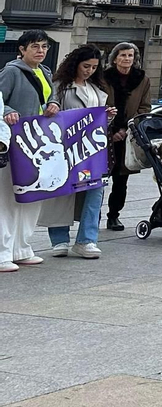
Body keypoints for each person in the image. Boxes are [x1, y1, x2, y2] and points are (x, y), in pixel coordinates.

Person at [42, 46, 109, 259]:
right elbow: (48, 114)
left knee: (94, 191)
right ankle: (59, 239)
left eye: (94, 67)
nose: (89, 70)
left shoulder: (96, 88)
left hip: (92, 149)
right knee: (62, 192)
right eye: (86, 66)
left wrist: (108, 116)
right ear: (76, 64)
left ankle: (87, 240)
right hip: (64, 148)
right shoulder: (60, 87)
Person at [0, 31, 58, 268]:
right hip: (13, 141)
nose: (41, 51)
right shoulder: (11, 71)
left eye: (44, 47)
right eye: (35, 47)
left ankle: (22, 247)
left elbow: (51, 97)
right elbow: (0, 100)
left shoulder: (45, 72)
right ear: (22, 49)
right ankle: (3, 252)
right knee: (6, 199)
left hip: (38, 143)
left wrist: (54, 103)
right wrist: (7, 111)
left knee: (33, 195)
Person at [101, 42, 150, 232]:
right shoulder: (104, 77)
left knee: (121, 181)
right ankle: (92, 216)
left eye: (130, 55)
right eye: (123, 55)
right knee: (99, 179)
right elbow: (98, 104)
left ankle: (114, 216)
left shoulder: (142, 79)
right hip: (105, 134)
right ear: (115, 58)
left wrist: (128, 128)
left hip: (128, 135)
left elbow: (145, 108)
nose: (127, 59)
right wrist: (111, 130)